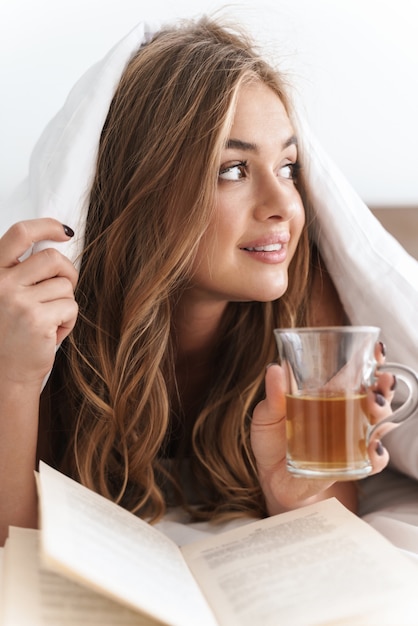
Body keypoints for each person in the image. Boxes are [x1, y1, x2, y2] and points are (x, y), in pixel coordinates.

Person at [0, 16, 410, 547]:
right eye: (233, 169)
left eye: (288, 167)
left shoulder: (305, 304)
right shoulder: (56, 322)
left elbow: (331, 541)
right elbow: (14, 545)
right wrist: (12, 378)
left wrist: (296, 496)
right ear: (143, 189)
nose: (285, 205)